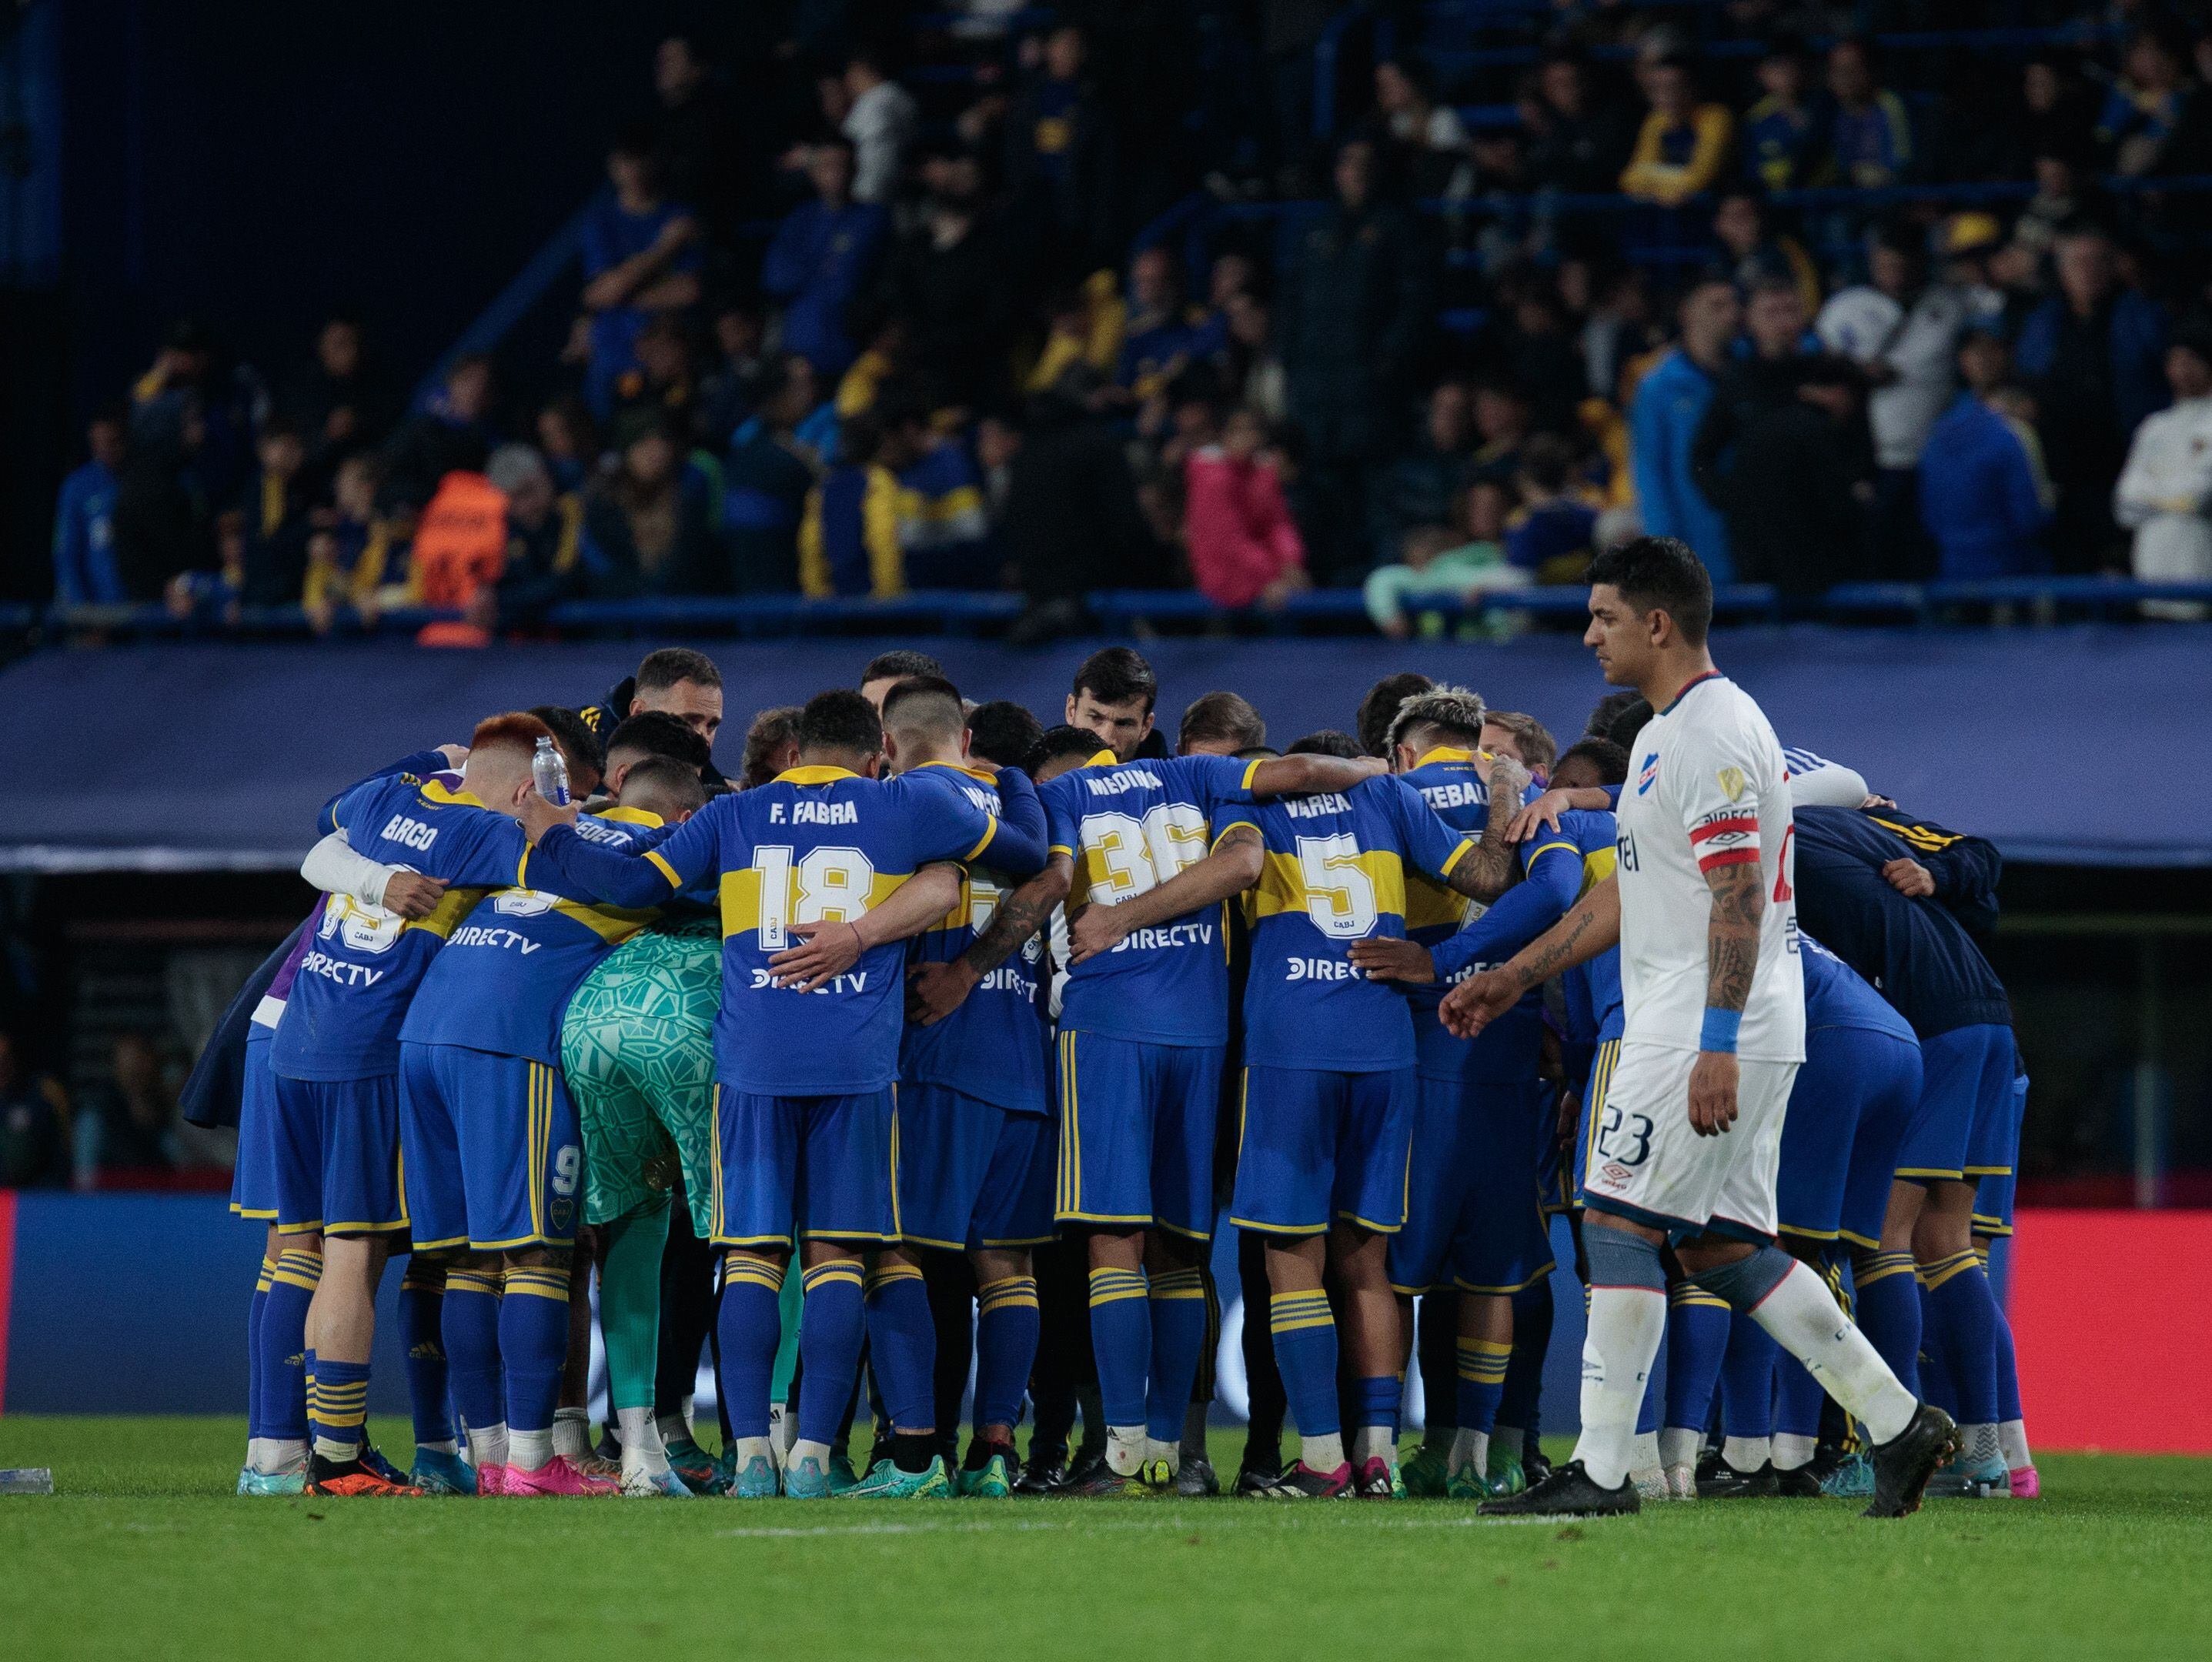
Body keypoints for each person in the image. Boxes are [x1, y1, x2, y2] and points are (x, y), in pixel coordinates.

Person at [1445, 536, 1956, 1520]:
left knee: (1618, 1221)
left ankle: (1600, 1474)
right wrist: (1513, 976)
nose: (1588, 633)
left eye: (1602, 616)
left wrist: (1715, 1041)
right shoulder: (1661, 738)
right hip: (1720, 1021)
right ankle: (1898, 1425)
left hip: (1701, 1027)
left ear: (1657, 623)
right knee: (1721, 1245)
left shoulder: (1712, 732)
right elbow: (1633, 896)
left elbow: (1735, 895)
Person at [514, 689, 1044, 1500]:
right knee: (836, 1261)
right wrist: (1017, 781)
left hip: (751, 1064)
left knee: (752, 1260)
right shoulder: (904, 802)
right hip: (857, 1063)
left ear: (794, 755)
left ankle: (753, 1454)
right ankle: (813, 1458)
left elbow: (627, 885)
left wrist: (552, 832)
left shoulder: (736, 815)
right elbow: (1026, 855)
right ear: (875, 757)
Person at [1031, 723, 1435, 1495]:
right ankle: (1170, 1451)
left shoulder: (1061, 792)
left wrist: (1096, 921)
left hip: (1114, 1023)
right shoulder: (1202, 777)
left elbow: (1051, 882)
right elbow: (1292, 795)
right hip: (1205, 1033)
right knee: (1185, 1252)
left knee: (1116, 1241)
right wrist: (1372, 767)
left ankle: (1120, 1454)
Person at [269, 716, 557, 1497]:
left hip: (299, 1043)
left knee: (320, 1250)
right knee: (353, 1256)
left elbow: (318, 846)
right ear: (524, 788)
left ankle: (310, 1448)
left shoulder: (389, 800)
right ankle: (335, 1460)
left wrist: (373, 874)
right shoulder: (484, 838)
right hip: (367, 1056)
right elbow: (577, 865)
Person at [1228, 729, 1515, 1499]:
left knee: (1292, 1257)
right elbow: (1490, 878)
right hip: (1385, 1044)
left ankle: (1322, 1459)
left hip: (1293, 1046)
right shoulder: (1390, 796)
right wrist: (1506, 793)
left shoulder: (1254, 803)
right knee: (1366, 1263)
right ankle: (1378, 1456)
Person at [1789, 801, 2024, 1500]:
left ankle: (1892, 1446)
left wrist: (1932, 875)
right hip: (1988, 1023)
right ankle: (1989, 1454)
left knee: (1883, 1242)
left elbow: (1975, 858)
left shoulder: (1795, 827)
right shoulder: (1867, 826)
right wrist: (1939, 878)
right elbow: (1982, 870)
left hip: (1931, 1029)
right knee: (1946, 1244)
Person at [873, 678, 1055, 1496]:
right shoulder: (1025, 812)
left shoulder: (907, 802)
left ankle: (911, 1453)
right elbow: (1045, 877)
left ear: (890, 740)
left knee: (898, 1250)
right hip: (1025, 1064)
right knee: (1006, 1267)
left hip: (939, 1057)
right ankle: (994, 1452)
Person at [557, 757, 719, 1497]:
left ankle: (638, 1452)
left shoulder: (573, 838)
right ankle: (774, 1451)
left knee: (632, 1224)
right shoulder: (725, 837)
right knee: (761, 1237)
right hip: (692, 1011)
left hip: (592, 1015)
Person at [1278, 138, 1430, 582]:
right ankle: (1325, 597)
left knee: (1380, 504)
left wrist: (1387, 364)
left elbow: (1415, 303)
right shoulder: (1315, 233)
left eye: (1365, 164)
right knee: (1317, 503)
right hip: (1316, 400)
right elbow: (1291, 306)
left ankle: (1382, 598)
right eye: (1347, 163)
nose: (1356, 173)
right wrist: (1292, 364)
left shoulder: (1400, 230)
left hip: (1373, 398)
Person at [2013, 225, 2172, 575]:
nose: (2087, 271)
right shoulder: (2045, 320)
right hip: (2066, 466)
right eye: (2077, 262)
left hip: (2128, 459)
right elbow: (2025, 378)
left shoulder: (2140, 313)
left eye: (2098, 261)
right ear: (2062, 268)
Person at [1817, 225, 1967, 582]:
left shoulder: (1946, 305)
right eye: (1886, 265)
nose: (1894, 274)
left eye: (1902, 265)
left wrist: (1863, 368)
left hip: (1931, 454)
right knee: (1874, 553)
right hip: (1867, 457)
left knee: (1926, 552)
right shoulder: (1847, 307)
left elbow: (1899, 369)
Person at [580, 128, 703, 417]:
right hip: (615, 350)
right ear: (613, 167)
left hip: (670, 346)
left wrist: (620, 292)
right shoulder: (601, 221)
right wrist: (665, 247)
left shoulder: (680, 215)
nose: (633, 171)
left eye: (639, 161)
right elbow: (601, 292)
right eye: (625, 162)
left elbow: (690, 290)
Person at [1630, 278, 1739, 582]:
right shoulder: (1659, 385)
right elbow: (1651, 472)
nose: (1730, 315)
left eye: (1733, 305)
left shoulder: (1749, 372)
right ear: (1687, 313)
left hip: (1747, 540)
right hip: (1691, 539)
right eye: (1717, 306)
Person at [1919, 338, 2053, 580]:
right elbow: (2032, 514)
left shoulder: (1941, 429)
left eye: (1992, 349)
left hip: (1956, 566)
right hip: (2010, 565)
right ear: (1962, 359)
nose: (1983, 359)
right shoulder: (2008, 432)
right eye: (1974, 351)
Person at [763, 138, 889, 384]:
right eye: (827, 166)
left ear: (855, 168)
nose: (836, 174)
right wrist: (823, 267)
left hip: (848, 353)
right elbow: (775, 279)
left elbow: (848, 281)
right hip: (799, 355)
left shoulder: (872, 219)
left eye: (842, 165)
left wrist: (808, 269)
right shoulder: (799, 219)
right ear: (814, 172)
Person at [2113, 327, 2212, 617]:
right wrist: (2177, 499)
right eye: (2175, 361)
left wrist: (2153, 495)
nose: (2181, 370)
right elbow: (2124, 503)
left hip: (2200, 571)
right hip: (2152, 573)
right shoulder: (2154, 427)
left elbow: (2201, 497)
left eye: (2190, 360)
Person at [580, 418, 721, 599]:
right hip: (624, 614)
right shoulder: (604, 505)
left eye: (661, 443)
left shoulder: (690, 498)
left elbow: (700, 565)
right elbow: (601, 568)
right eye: (644, 444)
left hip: (684, 611)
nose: (655, 453)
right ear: (627, 452)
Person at [1184, 407, 1309, 609]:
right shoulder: (1211, 477)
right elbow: (1227, 540)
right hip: (1225, 573)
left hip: (1268, 570)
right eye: (1236, 430)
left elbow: (1278, 524)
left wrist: (1291, 561)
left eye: (1251, 430)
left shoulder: (1264, 472)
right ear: (1223, 435)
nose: (1245, 437)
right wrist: (1272, 575)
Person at [1619, 58, 1733, 207]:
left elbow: (1700, 178)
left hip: (1710, 212)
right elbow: (1630, 179)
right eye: (1658, 89)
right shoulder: (1656, 120)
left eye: (1675, 87)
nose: (1667, 96)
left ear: (1692, 87)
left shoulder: (1715, 117)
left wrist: (1652, 184)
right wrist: (1671, 190)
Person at [52, 407, 129, 606]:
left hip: (139, 614)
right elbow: (66, 557)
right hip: (94, 616)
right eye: (97, 444)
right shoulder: (77, 487)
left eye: (113, 442)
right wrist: (81, 616)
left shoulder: (141, 484)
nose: (105, 450)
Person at [1823, 38, 1913, 189]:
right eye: (1838, 70)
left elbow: (1902, 164)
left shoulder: (1890, 104)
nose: (1845, 78)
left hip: (1889, 196)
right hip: (1843, 196)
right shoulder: (1827, 109)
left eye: (1852, 69)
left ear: (1871, 69)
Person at [840, 52, 917, 208]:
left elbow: (875, 155)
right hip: (896, 189)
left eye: (850, 74)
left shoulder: (872, 104)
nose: (847, 81)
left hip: (869, 193)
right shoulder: (901, 97)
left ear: (862, 70)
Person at [1064, 646, 1159, 762]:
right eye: (1095, 718)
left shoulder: (1167, 778)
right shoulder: (1039, 776)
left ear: (1145, 727)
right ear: (1071, 711)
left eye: (1123, 724)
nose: (1106, 740)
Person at [0, 1033, 69, 1189]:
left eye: (5, 1059)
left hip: (38, 1195)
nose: (1, 1067)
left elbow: (59, 1157)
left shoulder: (41, 1094)